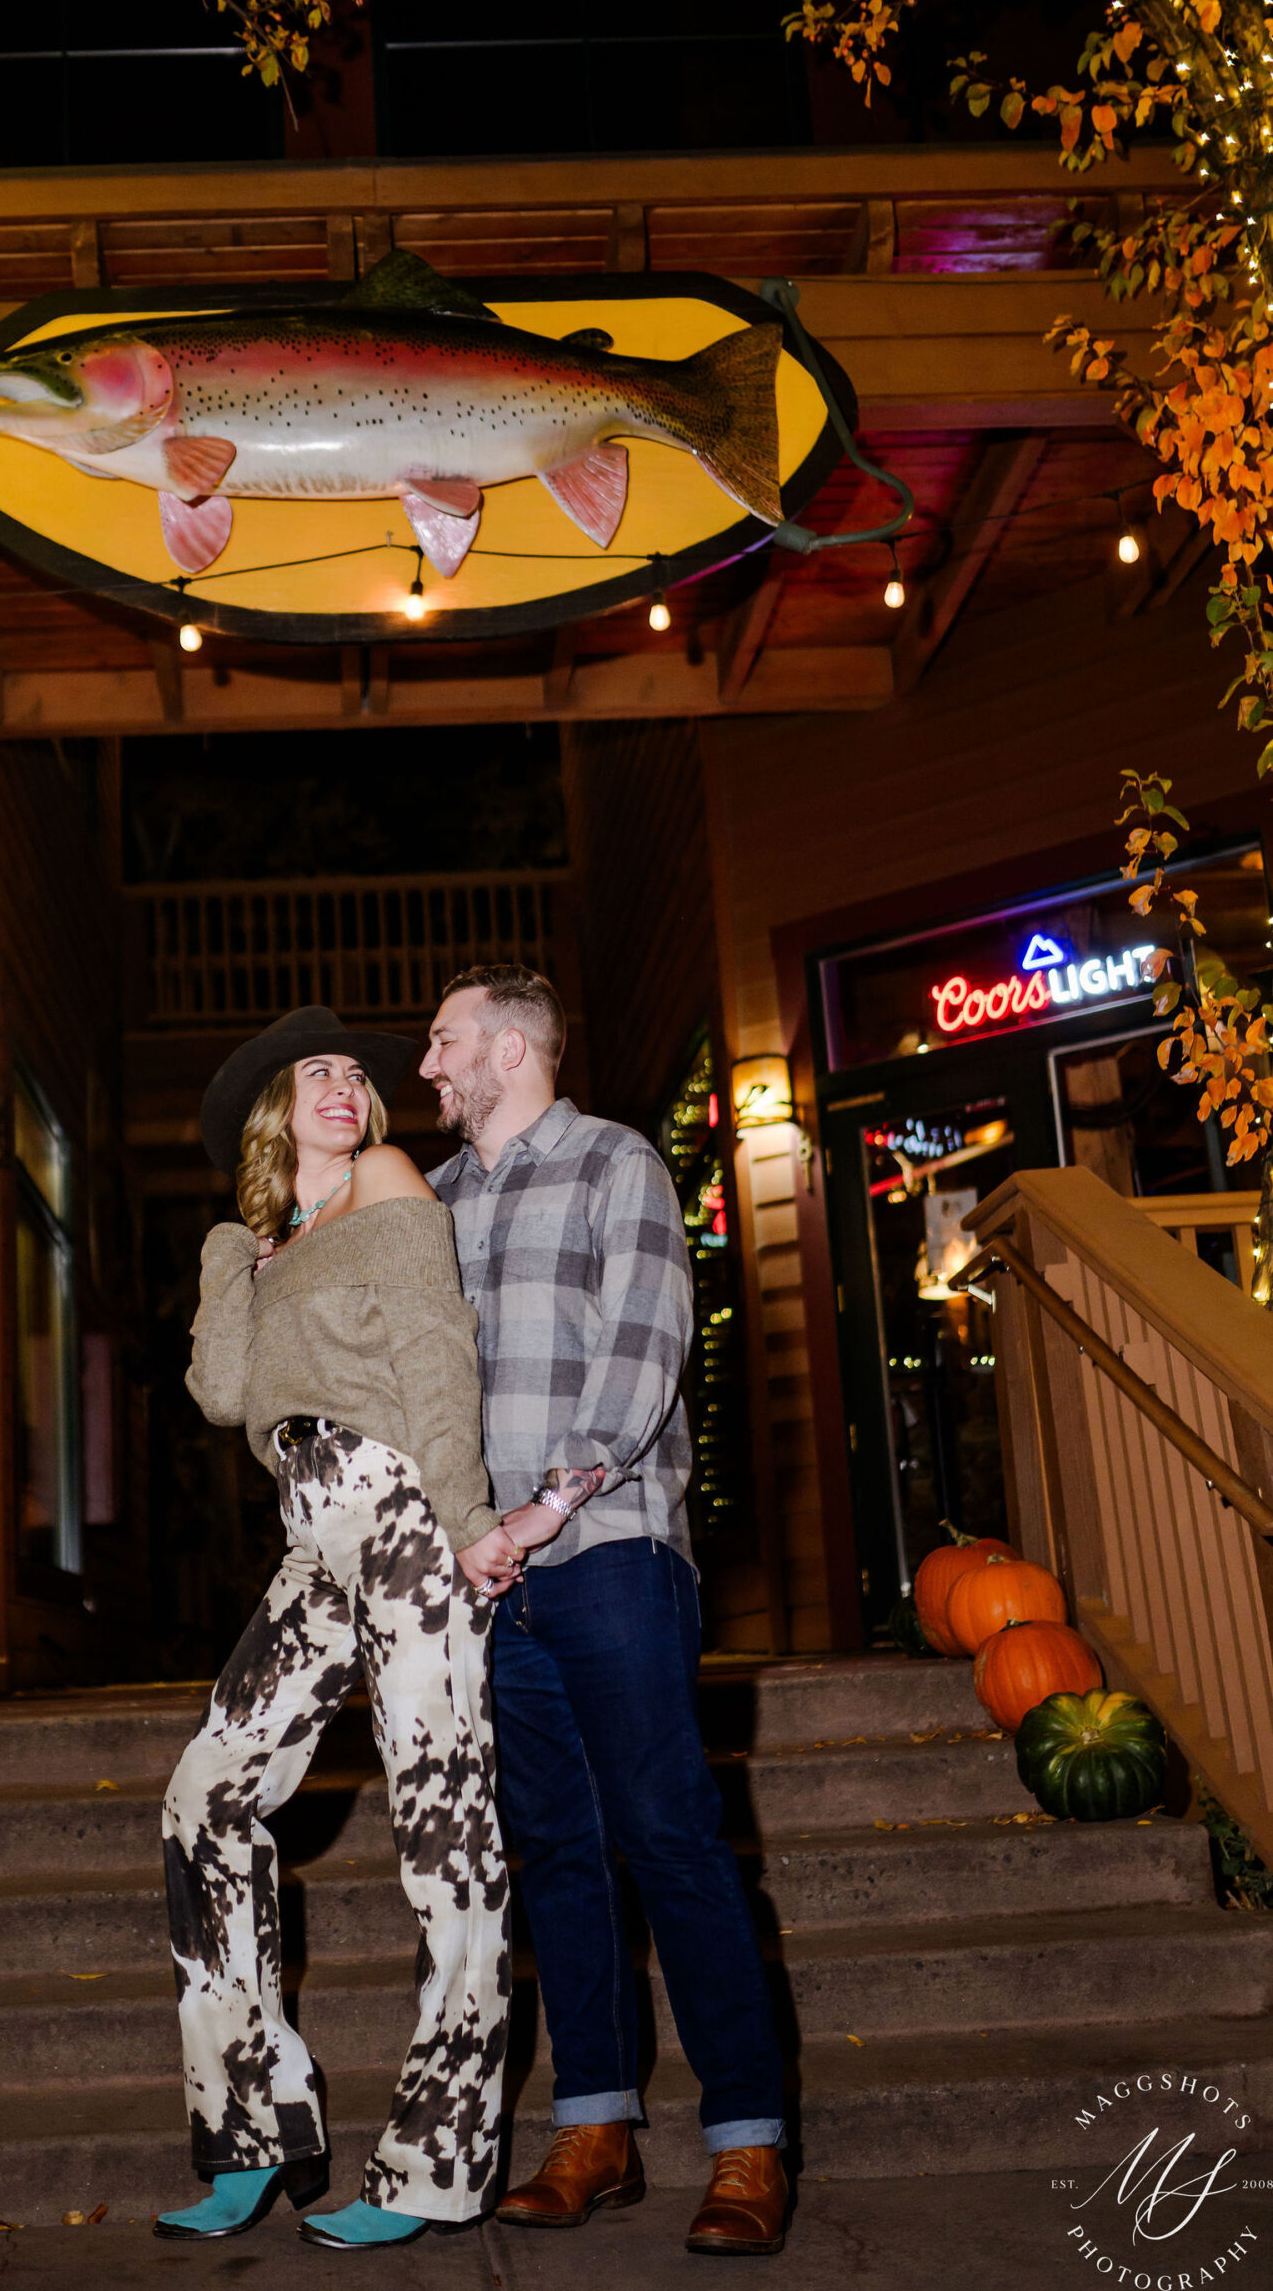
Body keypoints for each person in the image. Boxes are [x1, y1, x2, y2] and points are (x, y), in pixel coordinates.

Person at [423, 965, 791, 2259]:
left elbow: (644, 1346)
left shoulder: (613, 1163)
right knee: (555, 1853)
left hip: (609, 1551)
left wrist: (543, 1505)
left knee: (668, 1836)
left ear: (511, 1048)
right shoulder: (431, 1199)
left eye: (444, 1040)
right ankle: (594, 2127)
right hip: (489, 1579)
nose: (428, 1065)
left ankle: (747, 2138)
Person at [156, 1004, 523, 2252]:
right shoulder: (266, 1241)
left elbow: (435, 1349)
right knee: (203, 1799)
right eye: (317, 1069)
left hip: (405, 1510)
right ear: (274, 1107)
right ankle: (255, 2126)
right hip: (312, 1537)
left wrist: (466, 1514)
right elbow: (221, 1394)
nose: (346, 1084)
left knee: (446, 1838)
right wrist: (233, 1250)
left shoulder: (386, 1178)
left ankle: (436, 2164)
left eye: (356, 1072)